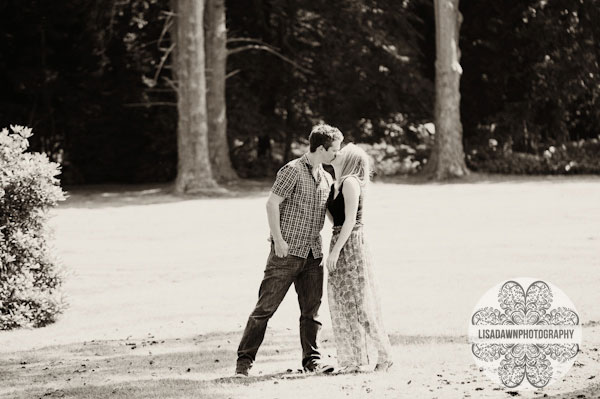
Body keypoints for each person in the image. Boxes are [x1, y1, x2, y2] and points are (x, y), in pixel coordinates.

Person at [234, 124, 343, 377]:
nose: (336, 155)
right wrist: (278, 240)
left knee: (311, 313)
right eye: (334, 150)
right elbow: (272, 204)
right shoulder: (291, 171)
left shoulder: (326, 177)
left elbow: (329, 215)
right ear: (320, 148)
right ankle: (244, 363)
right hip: (286, 253)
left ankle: (312, 362)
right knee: (264, 310)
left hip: (313, 255)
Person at [325, 143, 393, 373]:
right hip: (338, 239)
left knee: (360, 303)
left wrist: (335, 252)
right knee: (341, 302)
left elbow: (351, 221)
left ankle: (385, 355)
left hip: (352, 243)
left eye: (341, 152)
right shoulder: (334, 184)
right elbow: (335, 220)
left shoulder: (350, 183)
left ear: (349, 160)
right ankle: (352, 360)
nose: (336, 152)